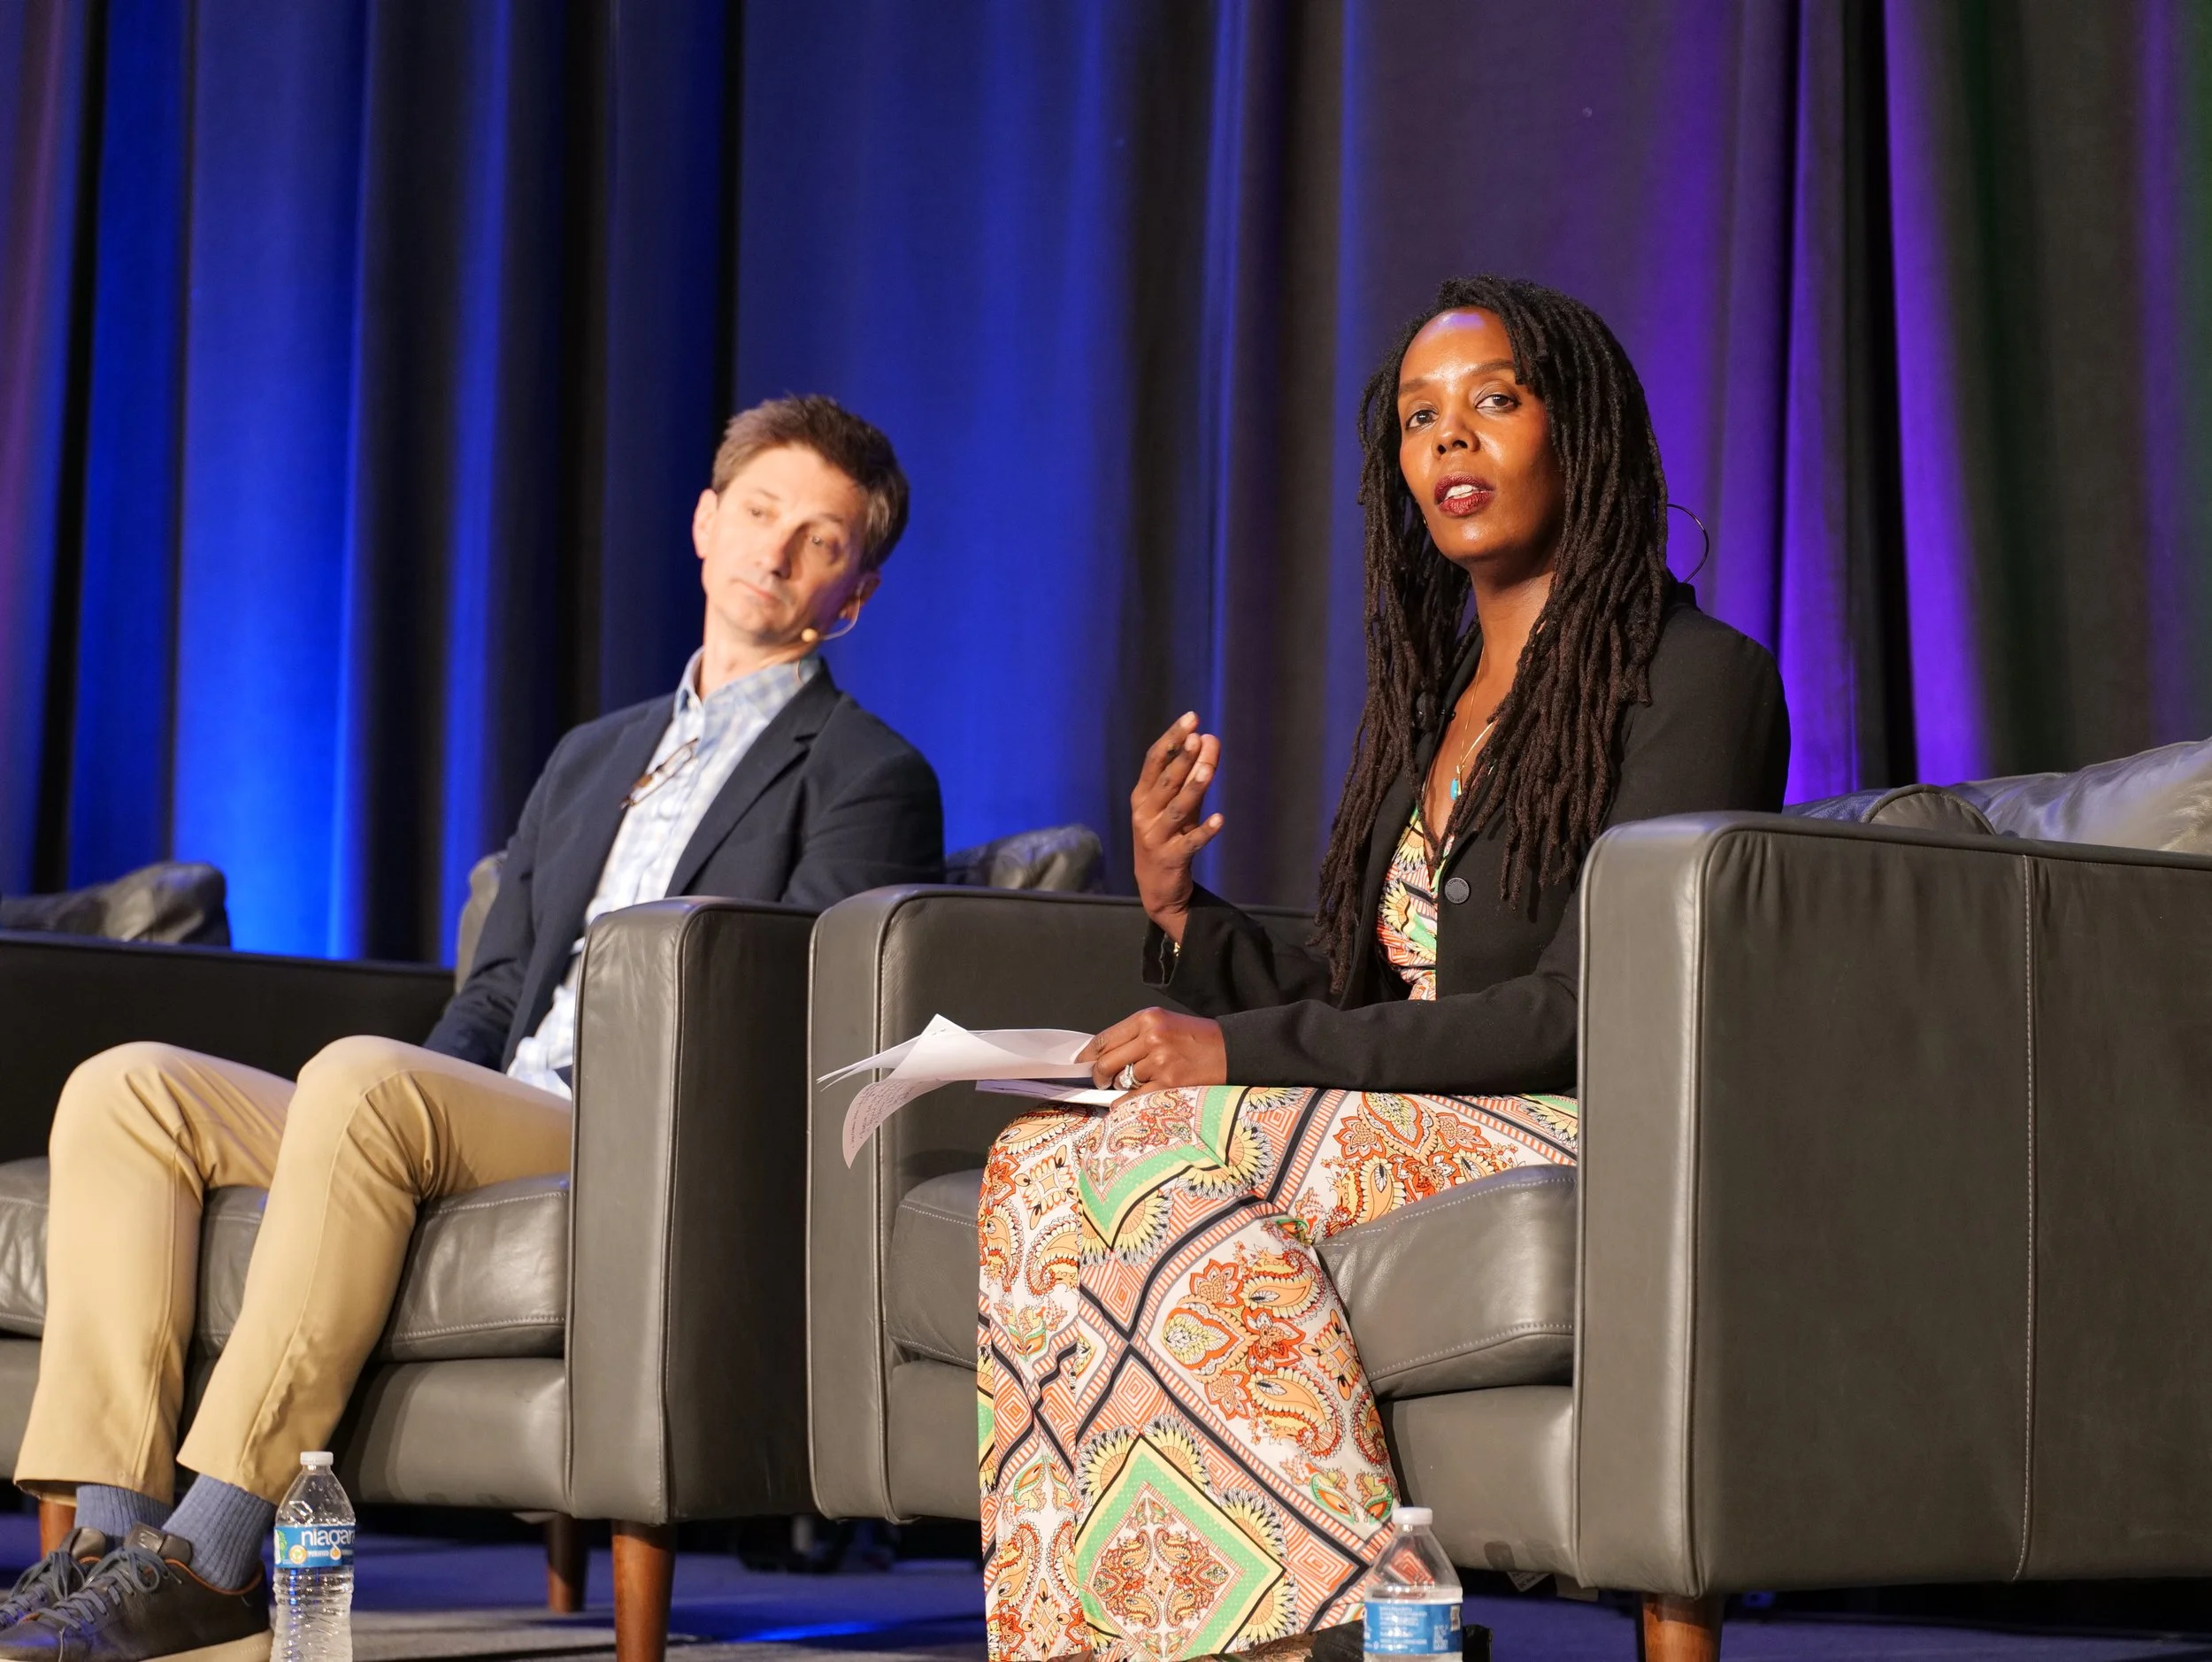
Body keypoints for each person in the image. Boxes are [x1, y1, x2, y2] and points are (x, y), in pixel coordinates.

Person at [0, 395, 943, 1662]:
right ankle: (113, 1553)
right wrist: (382, 1121)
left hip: (638, 1133)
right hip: (497, 1104)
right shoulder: (592, 755)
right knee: (129, 1087)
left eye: (819, 539)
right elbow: (494, 994)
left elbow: (799, 1017)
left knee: (365, 1083)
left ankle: (218, 1555)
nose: (775, 552)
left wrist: (382, 1097)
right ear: (705, 521)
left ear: (857, 594)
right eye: (760, 513)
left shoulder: (868, 772)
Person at [977, 277, 1789, 1661]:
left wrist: (1234, 1053)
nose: (1451, 443)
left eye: (1494, 402)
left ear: (1577, 430)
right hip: (1420, 1110)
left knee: (1140, 1147)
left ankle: (1358, 1631)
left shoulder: (1695, 678)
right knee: (1032, 1167)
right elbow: (1373, 983)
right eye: (1422, 418)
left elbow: (1579, 1013)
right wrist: (1181, 908)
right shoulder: (1437, 697)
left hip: (1574, 1120)